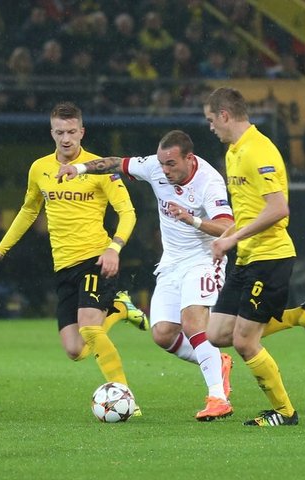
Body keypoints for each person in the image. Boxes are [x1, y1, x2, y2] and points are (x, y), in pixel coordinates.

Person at [0, 102, 148, 415]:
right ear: (51, 132)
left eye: (71, 132)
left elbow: (127, 212)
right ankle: (120, 309)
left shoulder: (99, 168)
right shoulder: (39, 168)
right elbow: (28, 211)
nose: (66, 138)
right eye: (59, 132)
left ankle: (126, 399)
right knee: (75, 350)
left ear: (82, 132)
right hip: (63, 266)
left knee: (90, 329)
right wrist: (1, 250)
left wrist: (114, 248)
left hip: (96, 259)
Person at [56, 130, 235, 421]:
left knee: (193, 322)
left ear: (189, 159)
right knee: (162, 334)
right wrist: (79, 168)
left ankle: (218, 397)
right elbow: (115, 163)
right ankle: (217, 362)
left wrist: (192, 219)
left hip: (203, 260)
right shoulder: (155, 167)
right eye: (162, 163)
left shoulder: (209, 181)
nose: (165, 170)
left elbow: (228, 227)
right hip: (171, 263)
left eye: (171, 164)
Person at [203, 86, 305, 427]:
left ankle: (285, 412)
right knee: (217, 334)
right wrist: (227, 239)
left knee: (244, 341)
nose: (210, 127)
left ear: (225, 116)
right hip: (246, 257)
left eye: (211, 120)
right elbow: (248, 212)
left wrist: (233, 239)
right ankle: (302, 316)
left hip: (270, 257)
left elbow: (278, 208)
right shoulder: (233, 152)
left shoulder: (258, 151)